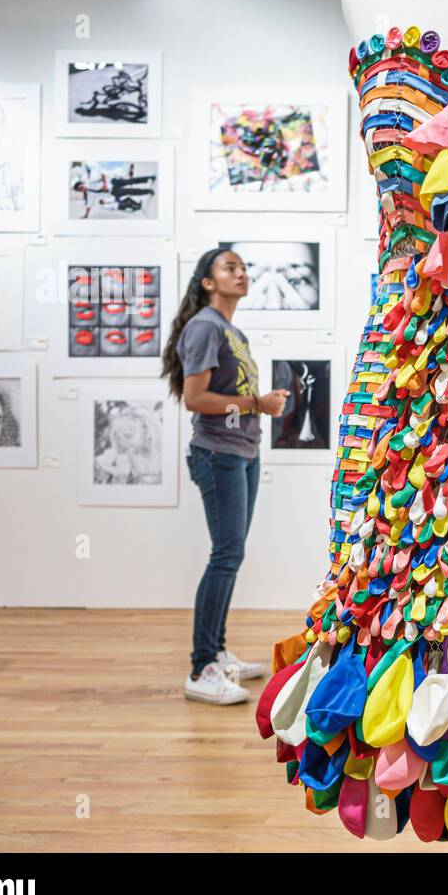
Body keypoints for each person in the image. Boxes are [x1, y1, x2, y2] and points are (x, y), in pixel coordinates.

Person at [162, 247, 290, 705]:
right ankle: (201, 668)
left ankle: (216, 650)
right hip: (217, 455)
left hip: (241, 452)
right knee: (226, 555)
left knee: (230, 555)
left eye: (243, 267)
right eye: (228, 267)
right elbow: (195, 398)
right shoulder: (204, 327)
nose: (240, 273)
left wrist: (257, 406)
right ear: (208, 282)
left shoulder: (229, 330)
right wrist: (258, 404)